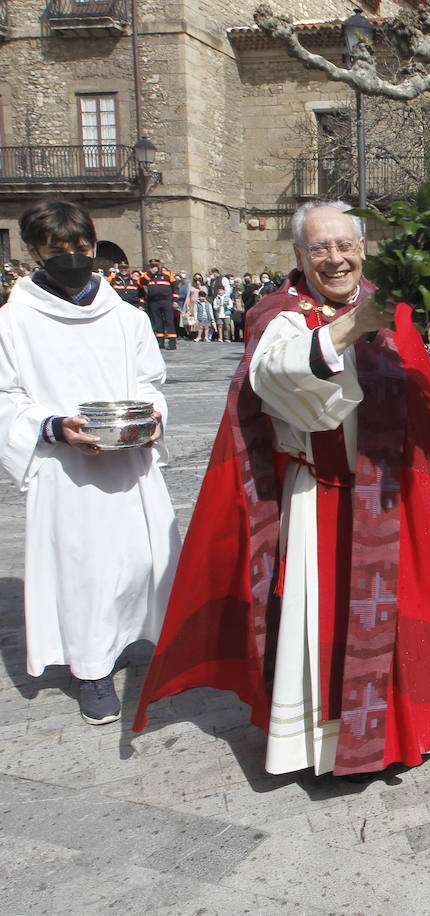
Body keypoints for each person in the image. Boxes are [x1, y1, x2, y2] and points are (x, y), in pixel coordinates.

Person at [134, 200, 430, 777]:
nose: (336, 259)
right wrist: (357, 324)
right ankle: (330, 743)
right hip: (325, 497)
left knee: (412, 612)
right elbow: (277, 375)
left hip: (399, 500)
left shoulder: (398, 309)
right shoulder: (278, 314)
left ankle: (417, 726)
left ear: (362, 248)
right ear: (299, 255)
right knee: (328, 620)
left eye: (345, 245)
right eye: (320, 248)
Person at [0, 199, 179, 726]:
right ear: (34, 251)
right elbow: (5, 396)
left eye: (82, 248)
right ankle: (91, 669)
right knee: (82, 569)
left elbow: (150, 382)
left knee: (140, 560)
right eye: (58, 250)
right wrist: (54, 427)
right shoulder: (14, 321)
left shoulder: (126, 317)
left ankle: (147, 642)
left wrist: (152, 419)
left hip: (129, 465)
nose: (74, 259)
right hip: (66, 470)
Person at [143, 258, 179, 350]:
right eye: (152, 266)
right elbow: (142, 282)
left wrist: (175, 300)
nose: (154, 267)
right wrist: (150, 273)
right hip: (153, 302)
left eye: (155, 266)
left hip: (166, 301)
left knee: (169, 321)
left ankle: (172, 343)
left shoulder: (167, 274)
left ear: (159, 266)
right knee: (158, 322)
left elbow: (175, 287)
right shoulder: (147, 275)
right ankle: (160, 342)